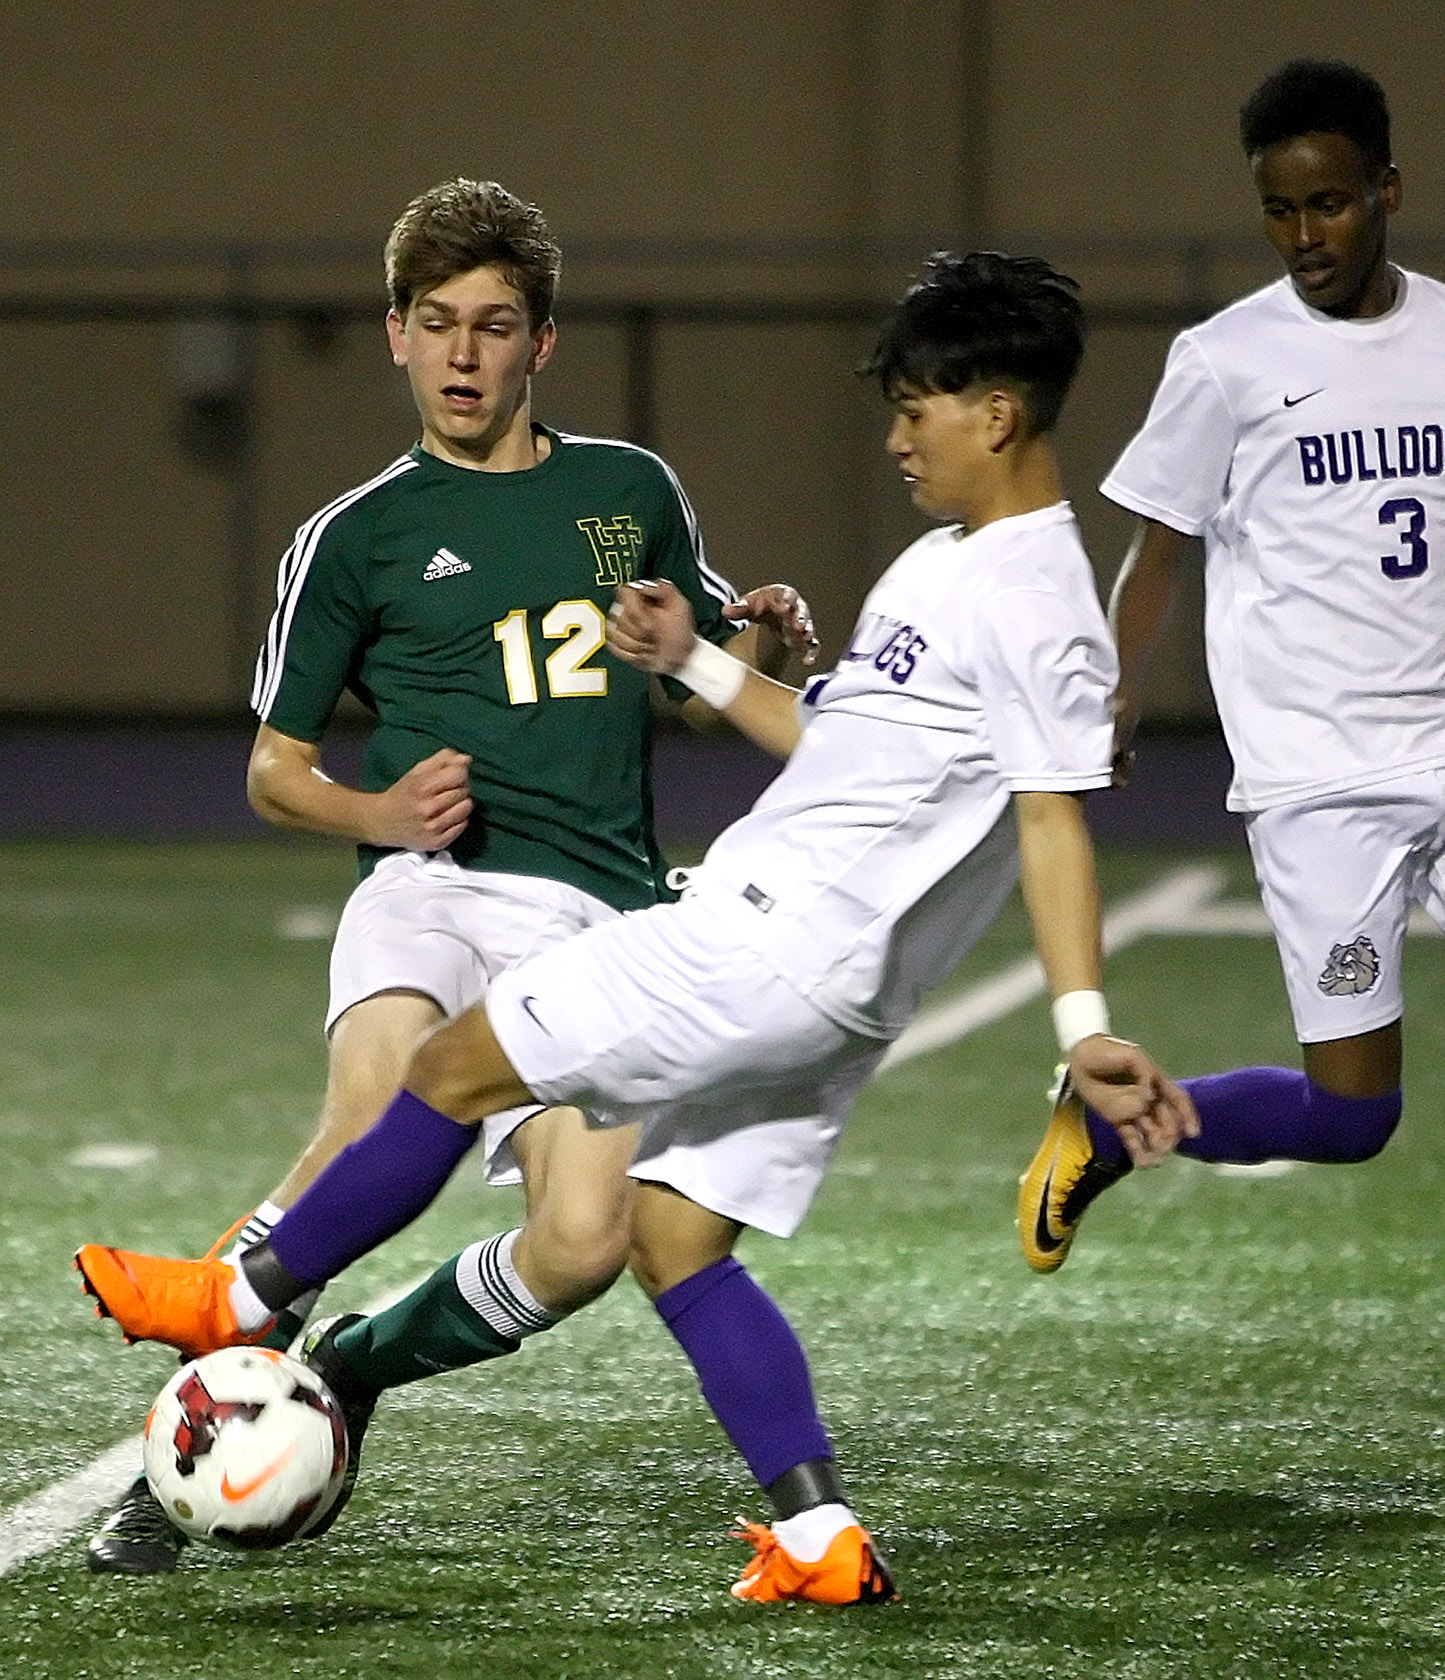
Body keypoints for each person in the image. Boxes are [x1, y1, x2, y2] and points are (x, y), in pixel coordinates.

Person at [77, 250, 1198, 1600]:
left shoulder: (1026, 600)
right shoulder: (957, 565)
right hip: (810, 986)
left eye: (918, 407)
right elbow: (840, 749)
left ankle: (245, 1303)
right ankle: (815, 1539)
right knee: (661, 1238)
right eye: (436, 323)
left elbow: (1050, 823)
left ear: (997, 413)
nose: (896, 435)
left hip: (747, 940)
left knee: (451, 1081)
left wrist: (1082, 1028)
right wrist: (705, 660)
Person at [83, 175, 817, 1575]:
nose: (465, 354)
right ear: (395, 338)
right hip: (428, 887)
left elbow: (693, 672)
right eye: (439, 324)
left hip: (598, 914)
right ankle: (178, 1452)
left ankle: (350, 1372)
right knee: (370, 1104)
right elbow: (271, 772)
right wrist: (377, 808)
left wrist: (761, 640)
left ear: (542, 344)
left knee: (587, 1239)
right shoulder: (351, 536)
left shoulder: (631, 492)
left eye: (493, 326)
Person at [1018, 59, 1445, 1272]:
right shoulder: (1223, 361)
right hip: (1319, 777)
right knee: (1353, 1117)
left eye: (1329, 204)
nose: (1303, 236)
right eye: (1278, 210)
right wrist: (1113, 690)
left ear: (1387, 191)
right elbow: (1158, 553)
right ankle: (1101, 1133)